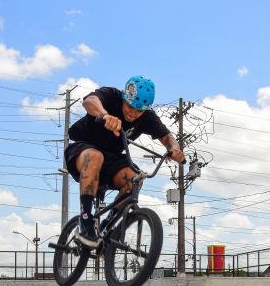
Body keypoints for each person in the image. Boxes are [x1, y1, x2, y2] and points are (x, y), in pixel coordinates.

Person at [65, 76, 185, 248]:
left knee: (135, 178)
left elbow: (167, 137)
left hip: (111, 159)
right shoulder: (111, 95)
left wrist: (174, 148)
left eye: (139, 111)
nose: (133, 113)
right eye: (130, 107)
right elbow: (89, 101)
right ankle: (85, 219)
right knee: (95, 156)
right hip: (83, 150)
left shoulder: (147, 118)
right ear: (124, 98)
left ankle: (107, 226)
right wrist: (105, 115)